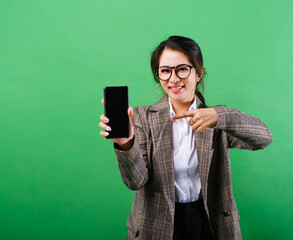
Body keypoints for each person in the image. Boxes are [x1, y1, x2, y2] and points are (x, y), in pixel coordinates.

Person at [99, 36, 273, 240]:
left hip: (209, 221)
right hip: (156, 225)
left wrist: (220, 116)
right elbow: (136, 181)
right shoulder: (142, 117)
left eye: (182, 69)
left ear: (199, 73)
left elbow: (263, 138)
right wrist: (126, 144)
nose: (173, 79)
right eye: (165, 71)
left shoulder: (215, 118)